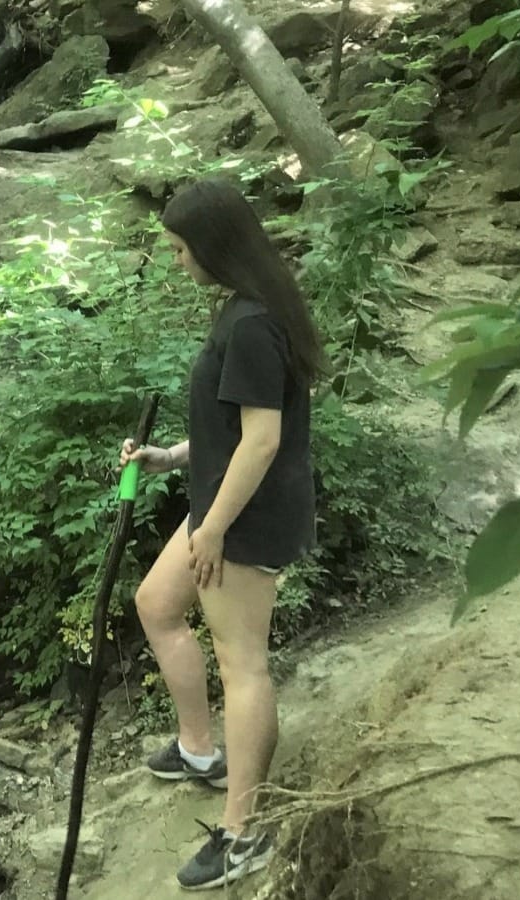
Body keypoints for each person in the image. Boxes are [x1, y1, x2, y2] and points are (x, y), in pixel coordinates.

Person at [120, 177, 323, 891]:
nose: (178, 262)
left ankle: (243, 833)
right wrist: (173, 456)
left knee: (244, 664)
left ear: (211, 248)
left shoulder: (250, 326)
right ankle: (200, 750)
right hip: (217, 503)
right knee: (157, 604)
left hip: (242, 517)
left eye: (180, 250)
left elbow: (262, 442)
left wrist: (211, 530)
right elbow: (232, 425)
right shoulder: (245, 312)